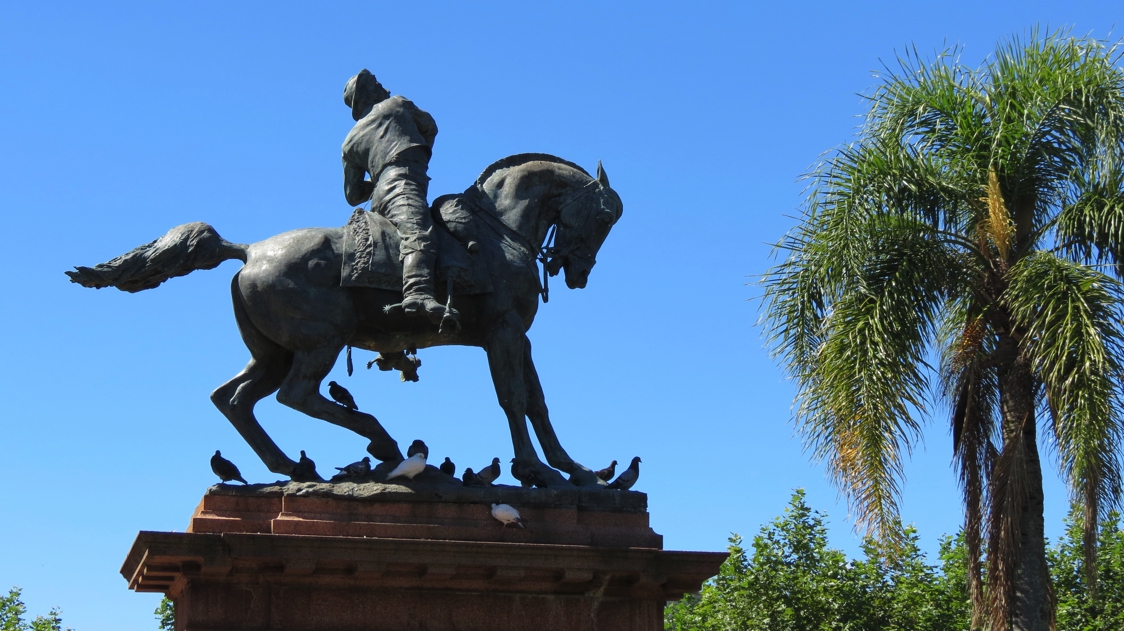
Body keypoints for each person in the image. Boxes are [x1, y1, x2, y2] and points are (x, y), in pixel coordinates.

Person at [341, 69, 455, 326]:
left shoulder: (349, 142)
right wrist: (412, 160)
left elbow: (352, 194)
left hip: (380, 197)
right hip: (404, 182)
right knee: (418, 232)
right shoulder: (396, 103)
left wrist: (378, 179)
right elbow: (430, 126)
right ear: (368, 93)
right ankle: (419, 293)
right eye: (378, 85)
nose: (385, 88)